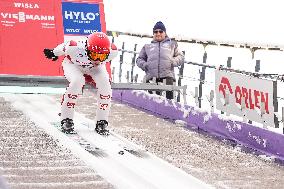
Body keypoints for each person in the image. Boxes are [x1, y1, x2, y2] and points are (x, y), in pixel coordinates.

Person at [43, 32, 118, 135]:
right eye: (95, 55)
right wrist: (54, 53)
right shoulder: (74, 47)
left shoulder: (112, 51)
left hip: (94, 69)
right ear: (87, 49)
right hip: (73, 65)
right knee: (77, 81)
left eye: (102, 56)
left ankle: (102, 121)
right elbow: (63, 47)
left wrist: (97, 62)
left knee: (106, 85)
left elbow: (99, 62)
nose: (97, 59)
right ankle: (66, 119)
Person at [136, 21, 184, 99]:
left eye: (161, 31)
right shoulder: (147, 46)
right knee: (153, 103)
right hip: (152, 78)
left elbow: (181, 56)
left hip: (167, 78)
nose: (158, 33)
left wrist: (173, 61)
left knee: (169, 103)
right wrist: (145, 65)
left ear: (165, 33)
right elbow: (139, 59)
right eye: (156, 32)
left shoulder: (172, 45)